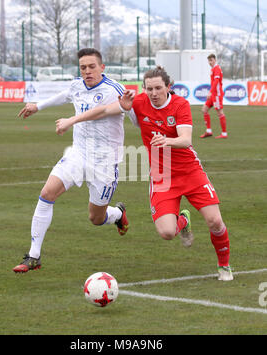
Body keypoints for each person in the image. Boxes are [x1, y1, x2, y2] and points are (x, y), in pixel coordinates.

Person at [56, 66, 233, 281]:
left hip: (190, 171)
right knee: (167, 233)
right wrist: (72, 120)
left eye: (158, 88)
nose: (154, 93)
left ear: (169, 87)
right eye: (149, 89)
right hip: (161, 174)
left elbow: (186, 139)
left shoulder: (180, 105)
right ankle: (183, 221)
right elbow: (103, 111)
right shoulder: (138, 102)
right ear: (144, 89)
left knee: (215, 221)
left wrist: (167, 140)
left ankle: (224, 266)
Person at [12, 48, 130, 273]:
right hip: (78, 154)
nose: (87, 71)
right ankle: (34, 256)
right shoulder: (77, 85)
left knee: (96, 218)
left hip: (104, 163)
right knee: (47, 194)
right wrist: (38, 106)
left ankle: (117, 214)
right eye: (83, 67)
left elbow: (103, 111)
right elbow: (64, 95)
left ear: (102, 67)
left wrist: (70, 121)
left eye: (92, 66)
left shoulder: (115, 90)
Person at [200, 53, 228, 139]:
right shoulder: (213, 69)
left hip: (217, 95)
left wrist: (210, 92)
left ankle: (224, 133)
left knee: (220, 112)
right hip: (213, 95)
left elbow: (216, 81)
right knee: (204, 109)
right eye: (209, 61)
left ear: (215, 60)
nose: (210, 62)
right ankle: (209, 131)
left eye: (211, 60)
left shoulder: (217, 68)